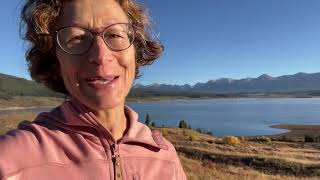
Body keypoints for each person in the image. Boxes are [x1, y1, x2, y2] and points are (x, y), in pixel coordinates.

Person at [0, 0, 187, 179]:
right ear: (55, 60)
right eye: (77, 38)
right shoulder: (12, 159)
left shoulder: (165, 156)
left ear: (135, 52)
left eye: (115, 35)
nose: (100, 55)